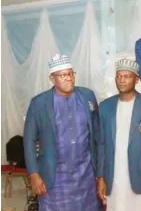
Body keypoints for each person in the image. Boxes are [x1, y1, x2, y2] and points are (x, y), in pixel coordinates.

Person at [23, 54, 101, 211]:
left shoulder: (87, 96)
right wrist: (34, 174)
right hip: (56, 176)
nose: (69, 78)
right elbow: (29, 140)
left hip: (86, 174)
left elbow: (97, 135)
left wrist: (100, 172)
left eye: (71, 73)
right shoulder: (39, 104)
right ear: (52, 78)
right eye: (63, 75)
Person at [96, 58, 141, 211]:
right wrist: (101, 177)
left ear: (136, 79)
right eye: (119, 76)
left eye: (127, 76)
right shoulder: (105, 106)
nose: (122, 80)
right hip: (115, 177)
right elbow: (101, 144)